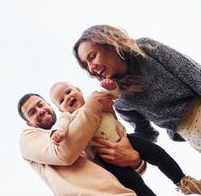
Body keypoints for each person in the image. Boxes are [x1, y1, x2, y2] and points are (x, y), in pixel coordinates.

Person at [49, 81, 201, 195]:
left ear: (78, 90)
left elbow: (113, 95)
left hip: (126, 139)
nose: (67, 98)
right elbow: (61, 124)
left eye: (68, 92)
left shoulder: (95, 99)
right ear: (60, 109)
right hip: (105, 158)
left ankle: (182, 181)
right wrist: (58, 132)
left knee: (158, 153)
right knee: (135, 183)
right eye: (61, 100)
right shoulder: (68, 116)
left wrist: (111, 87)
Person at [73, 24, 201, 152]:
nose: (91, 68)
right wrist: (124, 141)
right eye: (86, 64)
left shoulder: (145, 49)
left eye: (92, 56)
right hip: (194, 138)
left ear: (109, 44)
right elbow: (147, 133)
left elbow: (191, 72)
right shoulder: (119, 101)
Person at [18, 92, 140, 196]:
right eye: (32, 112)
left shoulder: (76, 127)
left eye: (40, 105)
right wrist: (93, 105)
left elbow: (113, 165)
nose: (39, 111)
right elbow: (64, 154)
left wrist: (136, 162)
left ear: (49, 105)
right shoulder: (27, 137)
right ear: (29, 123)